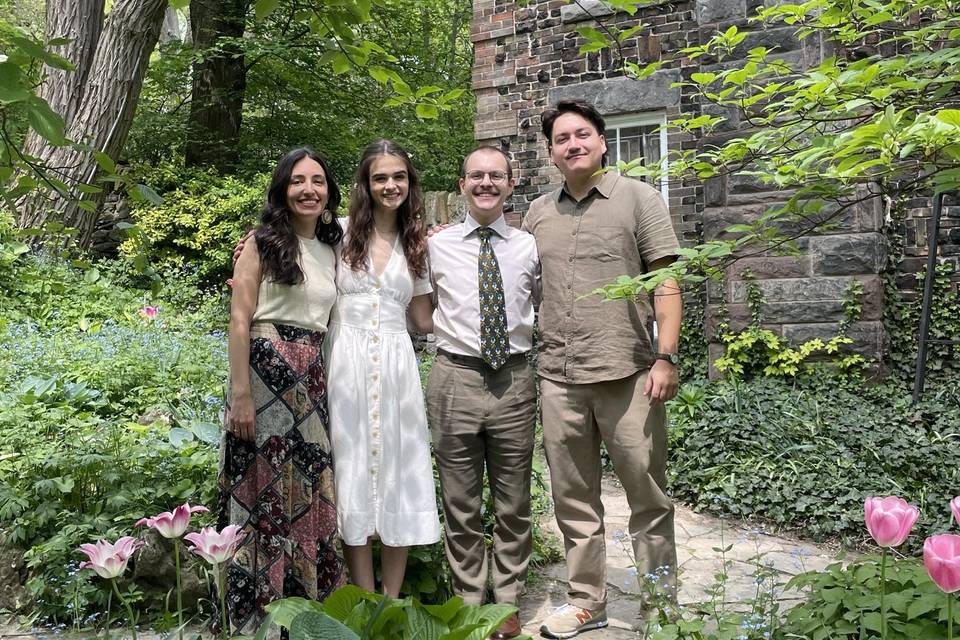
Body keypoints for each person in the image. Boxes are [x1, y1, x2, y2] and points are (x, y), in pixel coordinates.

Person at [526, 100, 682, 639]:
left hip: (631, 374)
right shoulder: (537, 213)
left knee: (648, 498)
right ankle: (587, 602)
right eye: (562, 138)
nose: (573, 144)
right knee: (574, 501)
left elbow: (666, 282)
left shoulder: (639, 198)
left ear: (602, 141)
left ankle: (662, 609)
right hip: (559, 377)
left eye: (582, 134)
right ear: (551, 152)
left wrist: (666, 356)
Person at [220, 147, 347, 635]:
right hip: (265, 371)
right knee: (262, 491)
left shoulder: (333, 247)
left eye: (318, 180)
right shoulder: (261, 242)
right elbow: (238, 318)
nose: (309, 189)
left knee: (311, 492)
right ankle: (258, 619)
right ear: (283, 189)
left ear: (330, 192)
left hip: (312, 375)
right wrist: (242, 395)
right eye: (298, 181)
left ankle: (307, 613)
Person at [426, 146, 540, 639]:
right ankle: (470, 599)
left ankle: (508, 600)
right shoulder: (435, 245)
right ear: (462, 184)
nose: (486, 183)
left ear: (511, 184)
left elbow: (541, 301)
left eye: (496, 176)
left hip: (513, 379)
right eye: (477, 175)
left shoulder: (529, 246)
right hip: (455, 377)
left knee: (513, 501)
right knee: (461, 501)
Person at [324, 139, 440, 596]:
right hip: (345, 363)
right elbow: (294, 255)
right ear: (366, 184)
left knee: (399, 470)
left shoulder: (418, 245)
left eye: (399, 177)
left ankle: (389, 601)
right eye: (380, 177)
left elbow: (424, 319)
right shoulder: (337, 231)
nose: (390, 185)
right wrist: (251, 248)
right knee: (351, 466)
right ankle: (363, 597)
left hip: (395, 366)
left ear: (409, 184)